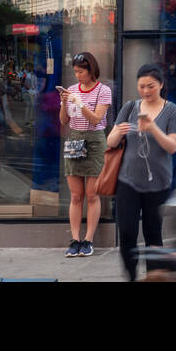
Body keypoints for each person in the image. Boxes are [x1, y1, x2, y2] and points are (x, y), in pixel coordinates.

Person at [107, 64, 176, 281]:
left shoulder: (172, 111)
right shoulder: (130, 107)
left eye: (151, 86)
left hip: (158, 184)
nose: (146, 91)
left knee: (153, 235)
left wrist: (152, 128)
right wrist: (118, 133)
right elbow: (111, 142)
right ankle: (130, 276)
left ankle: (154, 277)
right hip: (127, 181)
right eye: (141, 86)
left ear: (160, 85)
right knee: (128, 233)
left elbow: (172, 146)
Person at [60, 52, 112, 258]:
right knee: (75, 195)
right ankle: (74, 239)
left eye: (81, 71)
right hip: (74, 138)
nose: (78, 76)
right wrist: (65, 102)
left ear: (91, 70)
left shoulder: (103, 90)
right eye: (75, 72)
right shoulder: (72, 90)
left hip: (95, 139)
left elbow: (96, 119)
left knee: (92, 194)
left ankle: (88, 240)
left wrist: (79, 103)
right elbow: (63, 121)